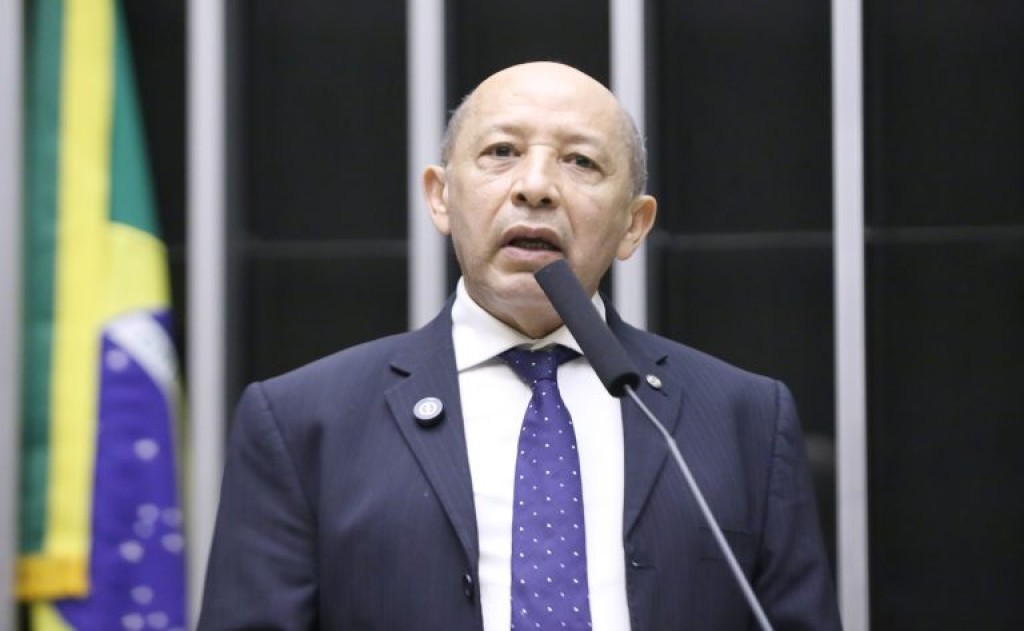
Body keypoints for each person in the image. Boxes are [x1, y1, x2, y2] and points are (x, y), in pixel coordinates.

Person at [198, 61, 842, 630]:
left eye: (580, 161)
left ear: (634, 224)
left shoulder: (744, 419)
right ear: (441, 197)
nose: (535, 187)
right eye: (502, 151)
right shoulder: (303, 421)